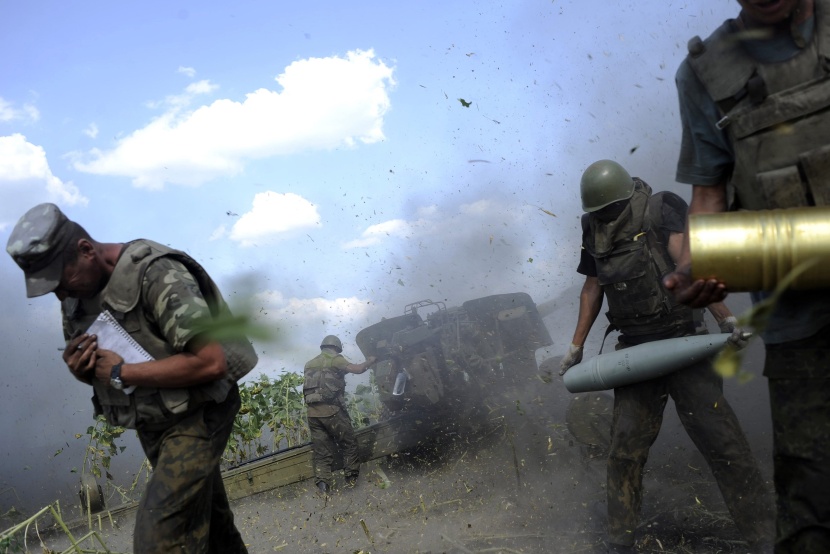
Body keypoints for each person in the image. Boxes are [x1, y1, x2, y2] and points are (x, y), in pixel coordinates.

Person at [665, 1, 830, 551]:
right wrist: (696, 267)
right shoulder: (704, 73)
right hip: (800, 331)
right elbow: (709, 192)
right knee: (810, 510)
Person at [5, 203, 257, 554]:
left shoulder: (156, 273)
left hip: (201, 411)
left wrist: (123, 372)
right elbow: (102, 370)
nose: (60, 295)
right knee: (210, 525)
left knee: (160, 537)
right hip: (155, 421)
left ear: (86, 251)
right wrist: (82, 370)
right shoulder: (76, 299)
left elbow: (211, 363)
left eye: (61, 280)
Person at [558, 160, 774, 552]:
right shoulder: (592, 228)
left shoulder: (659, 209)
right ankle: (620, 541)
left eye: (609, 210)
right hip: (635, 354)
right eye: (599, 213)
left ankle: (763, 536)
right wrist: (576, 346)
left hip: (683, 344)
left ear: (625, 197)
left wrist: (726, 319)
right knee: (624, 451)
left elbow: (689, 266)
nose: (606, 217)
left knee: (723, 444)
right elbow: (593, 286)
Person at [303, 334, 376, 495]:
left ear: (323, 347)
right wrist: (370, 361)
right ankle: (351, 483)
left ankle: (323, 491)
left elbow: (323, 378)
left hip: (313, 415)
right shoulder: (336, 359)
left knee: (322, 453)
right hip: (332, 412)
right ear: (336, 348)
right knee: (349, 444)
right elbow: (358, 369)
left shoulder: (310, 364)